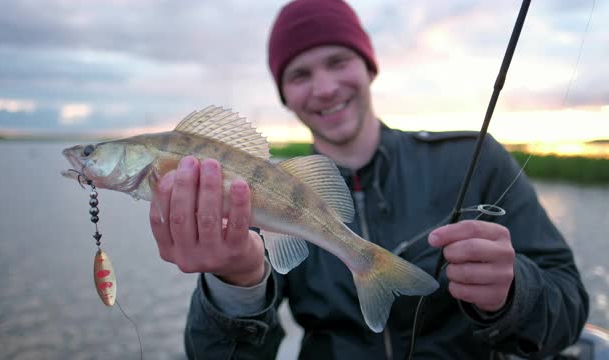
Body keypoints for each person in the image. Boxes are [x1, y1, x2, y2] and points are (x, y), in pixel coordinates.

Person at [149, 0, 589, 358]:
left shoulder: (474, 158)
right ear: (285, 96)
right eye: (300, 74)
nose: (323, 88)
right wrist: (235, 285)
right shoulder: (256, 192)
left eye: (338, 61)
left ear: (369, 68)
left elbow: (569, 304)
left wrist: (513, 293)